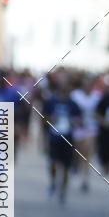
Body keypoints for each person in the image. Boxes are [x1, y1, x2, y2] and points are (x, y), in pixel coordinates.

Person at [42, 73, 82, 204]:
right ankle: (53, 183)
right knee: (53, 164)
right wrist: (51, 120)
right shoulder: (51, 101)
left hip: (68, 138)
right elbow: (44, 118)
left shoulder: (74, 104)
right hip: (54, 136)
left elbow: (80, 121)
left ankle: (63, 191)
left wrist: (74, 122)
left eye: (66, 85)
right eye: (62, 85)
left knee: (65, 167)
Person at [71, 74, 101, 192]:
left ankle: (85, 180)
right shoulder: (75, 95)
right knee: (78, 153)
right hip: (78, 129)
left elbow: (100, 112)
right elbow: (71, 111)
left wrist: (97, 117)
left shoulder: (97, 97)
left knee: (87, 155)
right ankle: (76, 165)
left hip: (91, 129)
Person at [96, 74, 109, 175]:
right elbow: (97, 113)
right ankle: (105, 165)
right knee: (104, 150)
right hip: (105, 131)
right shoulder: (104, 99)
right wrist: (104, 122)